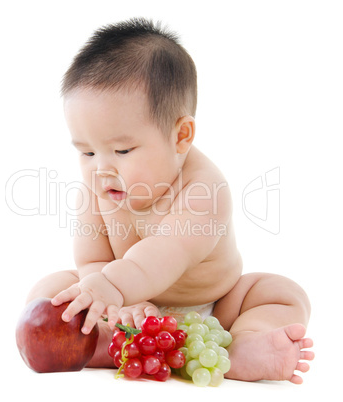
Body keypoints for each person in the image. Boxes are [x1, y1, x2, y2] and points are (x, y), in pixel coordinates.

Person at [26, 18, 314, 383]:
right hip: (128, 310)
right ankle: (107, 344)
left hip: (214, 309)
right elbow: (93, 259)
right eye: (86, 153)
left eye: (122, 149)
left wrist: (113, 287)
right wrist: (119, 301)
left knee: (282, 293)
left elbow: (165, 253)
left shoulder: (203, 190)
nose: (101, 168)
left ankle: (244, 343)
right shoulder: (98, 188)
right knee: (50, 289)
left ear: (180, 136)